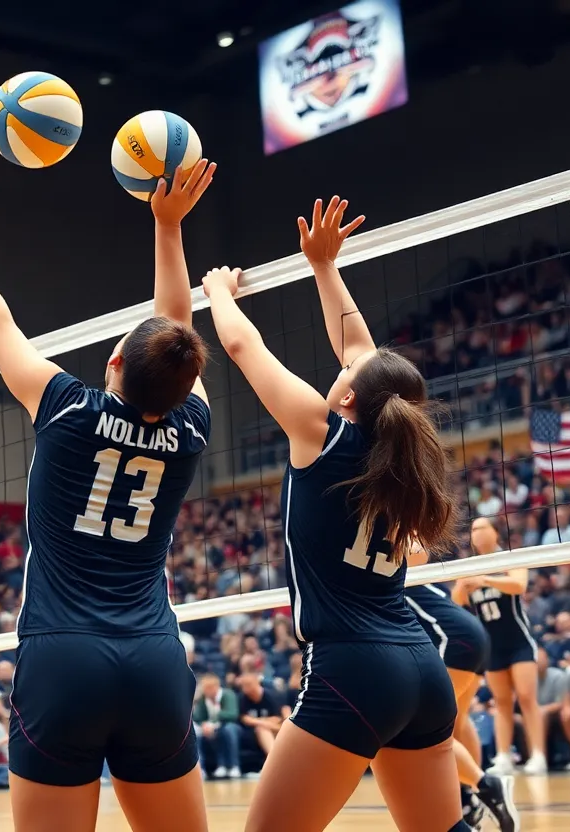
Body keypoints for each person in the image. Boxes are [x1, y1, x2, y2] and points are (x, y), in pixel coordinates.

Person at [0, 161, 217, 832]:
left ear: (114, 364)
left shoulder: (68, 409)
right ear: (186, 383)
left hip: (63, 658)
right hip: (153, 657)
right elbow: (176, 324)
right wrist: (169, 228)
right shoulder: (192, 430)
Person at [201, 197, 464, 831]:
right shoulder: (406, 461)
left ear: (348, 394)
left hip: (353, 668)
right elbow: (362, 352)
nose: (344, 363)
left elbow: (239, 343)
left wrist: (218, 293)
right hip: (421, 666)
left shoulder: (321, 433)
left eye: (347, 372)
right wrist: (323, 266)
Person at [405, 544, 518, 831]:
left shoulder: (384, 570)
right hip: (472, 634)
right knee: (457, 722)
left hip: (453, 640)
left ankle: (485, 785)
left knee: (419, 727)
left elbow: (416, 550)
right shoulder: (402, 567)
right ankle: (469, 801)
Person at [455, 516, 547, 775]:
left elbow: (518, 585)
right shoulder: (470, 566)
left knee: (527, 698)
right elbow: (457, 600)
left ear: (495, 532)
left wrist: (484, 580)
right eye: (473, 529)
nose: (476, 533)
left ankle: (538, 755)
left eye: (481, 528)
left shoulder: (509, 558)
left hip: (519, 641)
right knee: (502, 701)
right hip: (492, 645)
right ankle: (504, 756)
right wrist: (464, 582)